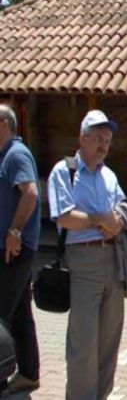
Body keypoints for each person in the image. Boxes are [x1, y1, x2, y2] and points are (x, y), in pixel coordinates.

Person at [47, 110, 127, 399]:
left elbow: (120, 210)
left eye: (107, 140)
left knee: (108, 342)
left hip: (113, 261)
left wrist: (115, 221)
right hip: (82, 261)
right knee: (84, 344)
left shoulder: (109, 175)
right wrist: (100, 219)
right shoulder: (64, 171)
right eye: (98, 139)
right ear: (82, 138)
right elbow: (65, 217)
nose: (104, 145)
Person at [0, 104, 41, 394]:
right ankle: (28, 372)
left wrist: (14, 232)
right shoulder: (6, 155)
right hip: (13, 249)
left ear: (3, 124)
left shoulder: (16, 154)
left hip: (13, 250)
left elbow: (31, 192)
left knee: (1, 314)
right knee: (20, 314)